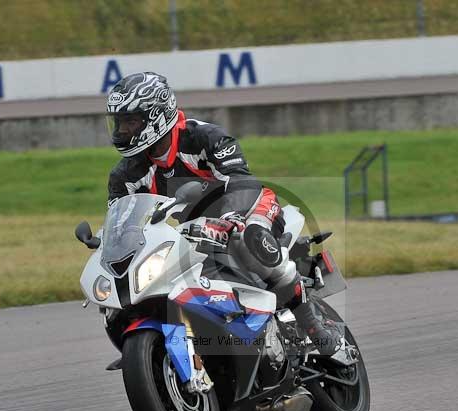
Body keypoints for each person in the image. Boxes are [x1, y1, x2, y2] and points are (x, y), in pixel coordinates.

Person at [105, 71, 342, 356]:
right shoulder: (124, 175)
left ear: (156, 115)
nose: (122, 131)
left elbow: (240, 180)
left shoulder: (204, 137)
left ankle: (311, 323)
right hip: (190, 232)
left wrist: (231, 220)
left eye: (131, 122)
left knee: (248, 238)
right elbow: (121, 222)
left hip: (247, 208)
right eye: (118, 123)